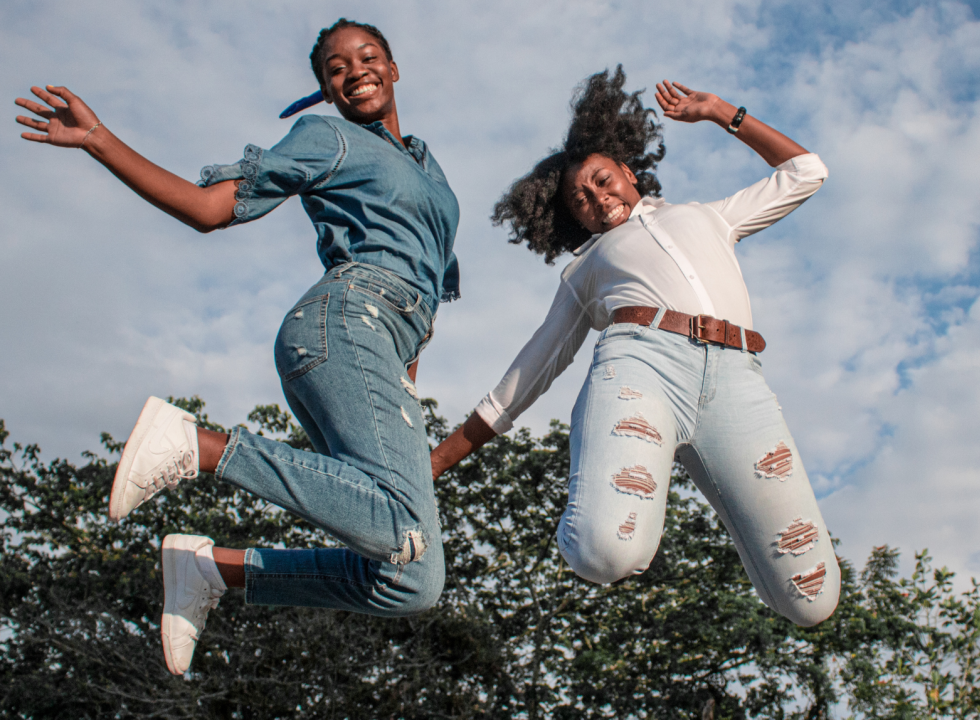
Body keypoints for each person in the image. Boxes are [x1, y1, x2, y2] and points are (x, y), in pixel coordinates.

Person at [16, 19, 458, 674]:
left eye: (367, 57)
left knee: (413, 579)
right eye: (335, 68)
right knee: (398, 525)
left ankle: (214, 572)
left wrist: (405, 394)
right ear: (325, 92)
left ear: (394, 69)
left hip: (387, 352)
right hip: (345, 322)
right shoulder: (327, 136)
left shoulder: (429, 169)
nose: (354, 70)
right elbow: (207, 209)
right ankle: (198, 445)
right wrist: (99, 141)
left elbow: (428, 287)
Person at [430, 68, 840, 627]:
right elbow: (523, 380)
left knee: (811, 600)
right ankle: (595, 492)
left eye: (602, 180)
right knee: (607, 551)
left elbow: (805, 171)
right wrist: (433, 464)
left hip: (739, 383)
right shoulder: (585, 268)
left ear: (627, 171)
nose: (598, 198)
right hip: (642, 366)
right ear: (573, 220)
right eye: (580, 200)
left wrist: (723, 112)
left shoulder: (708, 217)